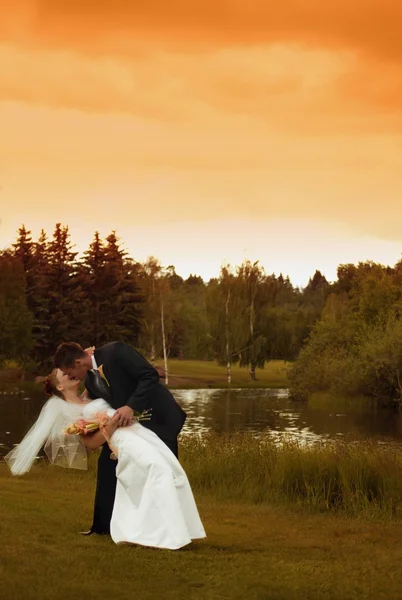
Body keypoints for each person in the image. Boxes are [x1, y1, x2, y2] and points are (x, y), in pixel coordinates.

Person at [5, 369, 206, 550]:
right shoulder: (69, 412)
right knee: (158, 470)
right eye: (64, 375)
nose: (70, 374)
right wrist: (112, 425)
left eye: (69, 370)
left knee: (170, 469)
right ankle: (159, 533)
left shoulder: (90, 394)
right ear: (60, 386)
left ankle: (177, 529)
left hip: (138, 432)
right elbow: (91, 444)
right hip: (122, 440)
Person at [53, 341, 187, 534]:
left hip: (159, 418)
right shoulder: (91, 381)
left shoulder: (116, 351)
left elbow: (150, 375)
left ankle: (172, 529)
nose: (71, 377)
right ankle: (101, 527)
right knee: (107, 466)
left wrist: (131, 406)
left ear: (77, 362)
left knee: (166, 472)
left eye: (70, 373)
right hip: (129, 429)